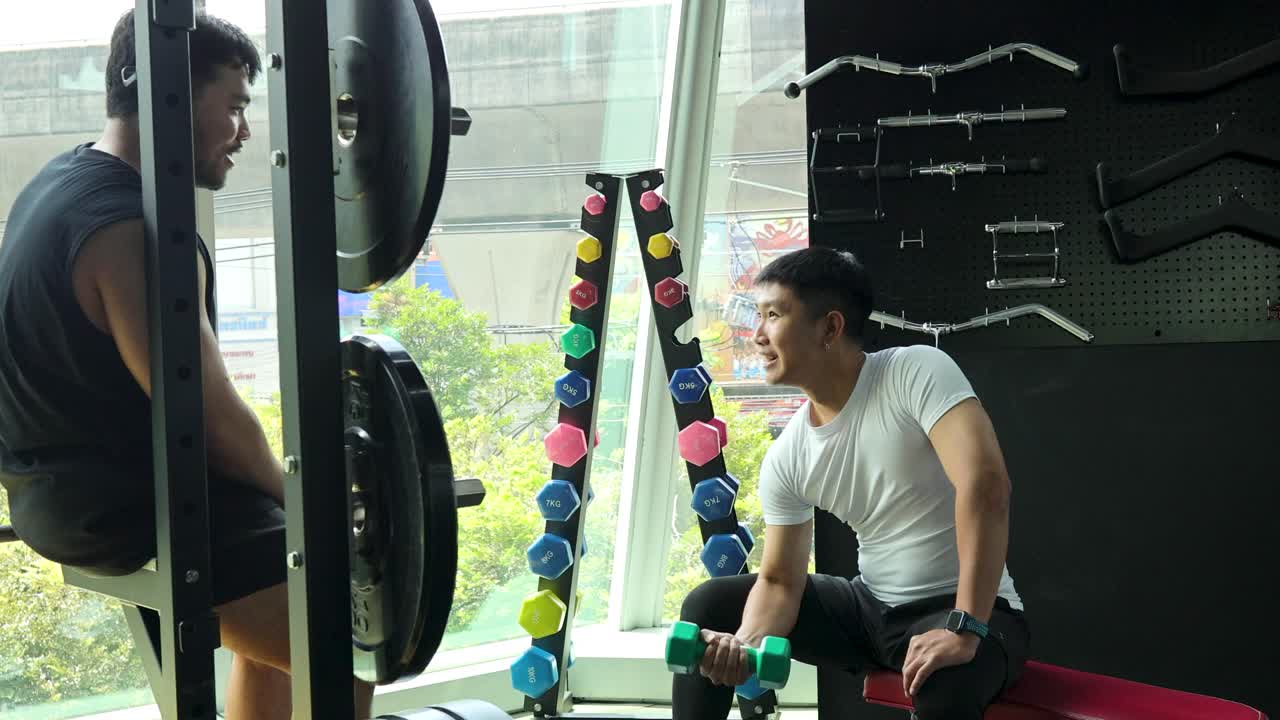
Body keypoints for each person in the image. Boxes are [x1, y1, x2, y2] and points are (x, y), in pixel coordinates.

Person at [0, 11, 374, 720]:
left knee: (276, 628)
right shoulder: (131, 231)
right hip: (129, 510)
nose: (244, 131)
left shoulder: (60, 182)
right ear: (167, 93)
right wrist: (304, 502)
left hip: (60, 498)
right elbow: (209, 418)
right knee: (350, 647)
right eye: (233, 105)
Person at [674, 247, 1030, 720]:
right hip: (868, 611)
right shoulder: (789, 454)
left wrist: (966, 624)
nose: (756, 336)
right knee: (709, 605)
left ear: (830, 328)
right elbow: (780, 581)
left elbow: (985, 484)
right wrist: (744, 644)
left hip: (973, 610)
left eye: (773, 315)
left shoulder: (914, 371)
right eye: (757, 317)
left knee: (943, 682)